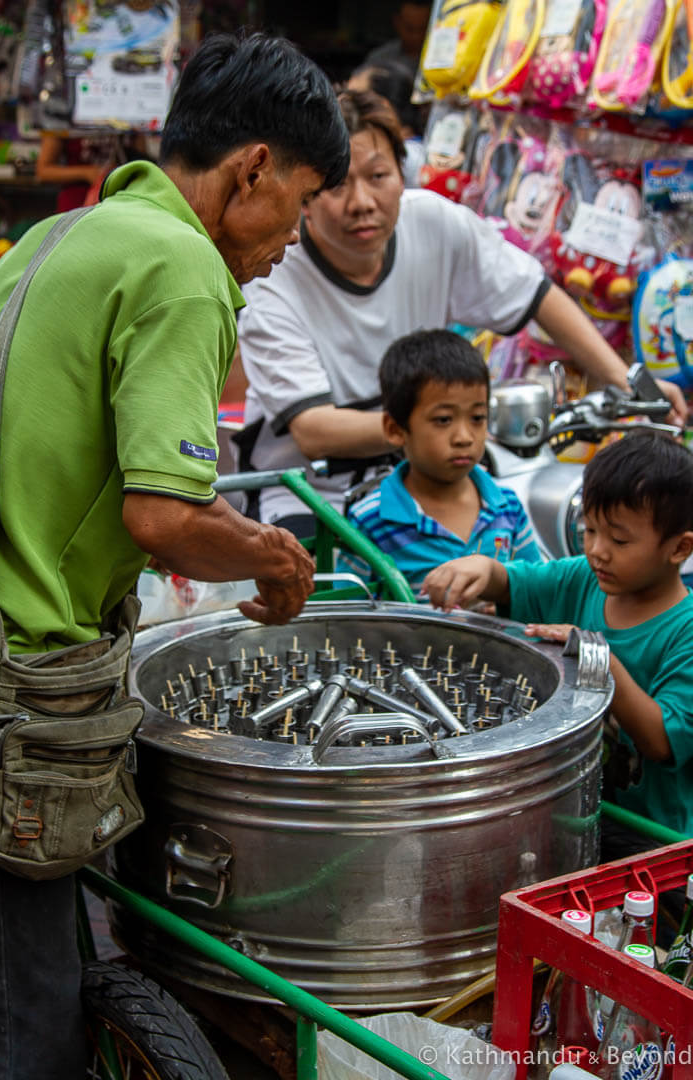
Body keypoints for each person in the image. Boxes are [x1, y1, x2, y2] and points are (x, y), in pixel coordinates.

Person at [0, 31, 348, 1080]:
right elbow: (166, 515)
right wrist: (271, 557)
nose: (295, 239)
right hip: (7, 686)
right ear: (254, 172)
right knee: (22, 1024)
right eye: (306, 201)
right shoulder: (183, 266)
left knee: (13, 969)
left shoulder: (68, 236)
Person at [237, 88, 686, 535]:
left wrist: (630, 385)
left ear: (401, 173)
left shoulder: (435, 222)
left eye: (378, 176)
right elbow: (315, 430)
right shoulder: (273, 271)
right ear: (307, 195)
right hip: (310, 491)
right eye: (337, 185)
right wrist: (444, 423)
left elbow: (537, 294)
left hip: (426, 476)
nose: (362, 203)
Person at [421, 428, 693, 843]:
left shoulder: (685, 630)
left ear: (679, 548)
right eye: (590, 530)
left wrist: (599, 658)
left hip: (653, 838)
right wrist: (483, 569)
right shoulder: (583, 578)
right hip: (576, 810)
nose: (598, 549)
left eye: (619, 539)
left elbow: (660, 742)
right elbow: (516, 583)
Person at [337, 328, 540, 592]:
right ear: (395, 429)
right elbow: (350, 618)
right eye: (443, 420)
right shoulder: (371, 521)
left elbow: (536, 591)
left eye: (477, 418)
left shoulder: (507, 508)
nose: (464, 437)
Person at [347, 59, 426, 186]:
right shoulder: (417, 153)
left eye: (354, 102)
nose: (343, 109)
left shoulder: (409, 159)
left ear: (383, 108)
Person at [363, 0, 432, 78]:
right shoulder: (379, 58)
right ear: (397, 22)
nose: (416, 36)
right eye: (410, 29)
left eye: (422, 29)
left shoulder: (439, 58)